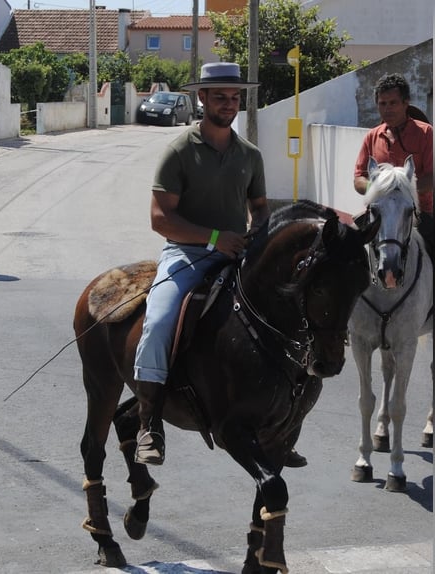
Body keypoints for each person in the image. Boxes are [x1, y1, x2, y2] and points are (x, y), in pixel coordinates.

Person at [132, 62, 270, 466]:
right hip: (187, 254)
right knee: (158, 321)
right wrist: (214, 238)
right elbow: (160, 219)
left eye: (234, 97)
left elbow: (260, 208)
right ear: (202, 98)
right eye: (220, 96)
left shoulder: (250, 155)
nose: (229, 104)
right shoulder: (178, 151)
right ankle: (149, 423)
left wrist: (255, 235)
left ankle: (277, 420)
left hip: (238, 255)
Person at [354, 73, 433, 259]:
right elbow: (358, 179)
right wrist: (379, 189)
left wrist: (402, 189)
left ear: (406, 103)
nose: (387, 109)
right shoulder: (372, 136)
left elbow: (433, 177)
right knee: (345, 252)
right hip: (378, 215)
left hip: (419, 215)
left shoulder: (426, 133)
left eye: (393, 103)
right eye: (382, 103)